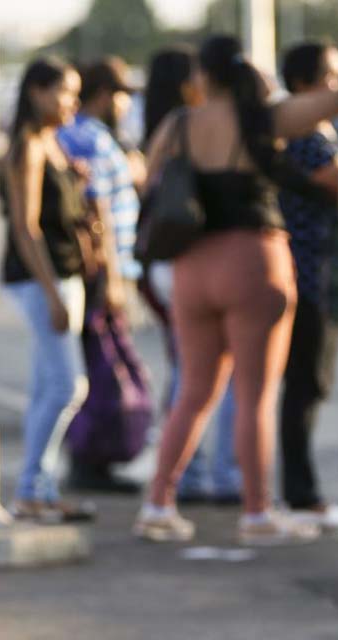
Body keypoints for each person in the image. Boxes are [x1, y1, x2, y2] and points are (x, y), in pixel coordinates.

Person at [133, 27, 338, 545]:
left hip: (192, 265)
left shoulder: (179, 123)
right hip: (253, 262)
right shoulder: (264, 119)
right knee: (255, 395)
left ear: (203, 76)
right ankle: (257, 513)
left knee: (193, 391)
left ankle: (158, 503)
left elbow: (146, 181)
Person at [141, 46, 242, 505]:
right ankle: (224, 473)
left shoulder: (166, 125)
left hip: (165, 259)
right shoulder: (208, 122)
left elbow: (146, 182)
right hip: (208, 258)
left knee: (187, 367)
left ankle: (187, 472)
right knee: (220, 371)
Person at [2, 57, 95, 522]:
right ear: (38, 92)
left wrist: (76, 182)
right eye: (66, 92)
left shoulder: (52, 141)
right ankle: (30, 488)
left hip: (66, 275)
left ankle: (40, 488)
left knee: (47, 387)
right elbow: (26, 227)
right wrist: (52, 293)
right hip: (42, 279)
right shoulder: (28, 146)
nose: (73, 102)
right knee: (66, 386)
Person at [276, 42, 338, 533]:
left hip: (314, 274)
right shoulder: (305, 137)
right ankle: (300, 494)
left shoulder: (312, 133)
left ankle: (297, 490)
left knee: (307, 386)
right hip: (308, 277)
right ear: (305, 83)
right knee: (306, 386)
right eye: (333, 77)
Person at [57, 57, 145, 494]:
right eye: (123, 96)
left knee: (100, 367)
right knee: (101, 370)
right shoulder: (88, 137)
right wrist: (111, 277)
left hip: (99, 269)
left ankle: (93, 459)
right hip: (100, 270)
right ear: (108, 95)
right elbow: (97, 211)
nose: (127, 105)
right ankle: (88, 460)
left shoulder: (87, 134)